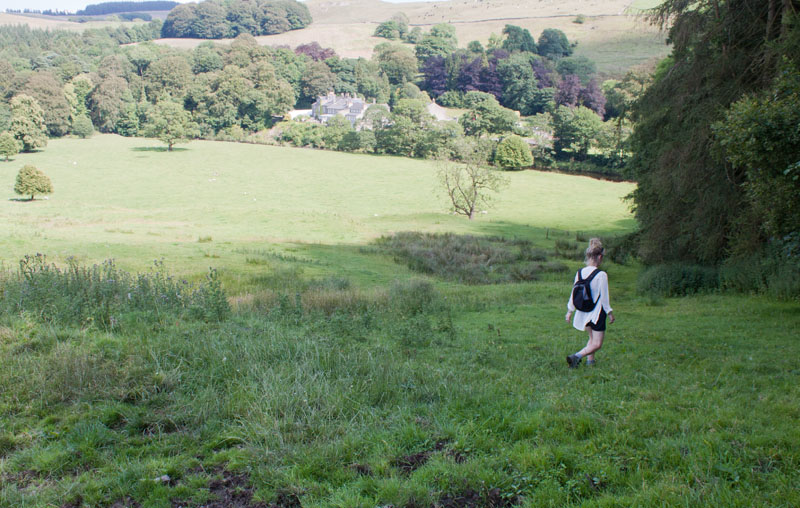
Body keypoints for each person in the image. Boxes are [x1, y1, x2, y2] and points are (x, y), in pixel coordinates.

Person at [565, 238, 614, 368]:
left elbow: (573, 293)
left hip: (583, 312)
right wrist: (609, 312)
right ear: (599, 257)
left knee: (592, 339)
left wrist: (570, 311)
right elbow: (604, 298)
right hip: (597, 314)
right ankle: (576, 357)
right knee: (597, 343)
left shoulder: (579, 273)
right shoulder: (601, 274)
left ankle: (590, 362)